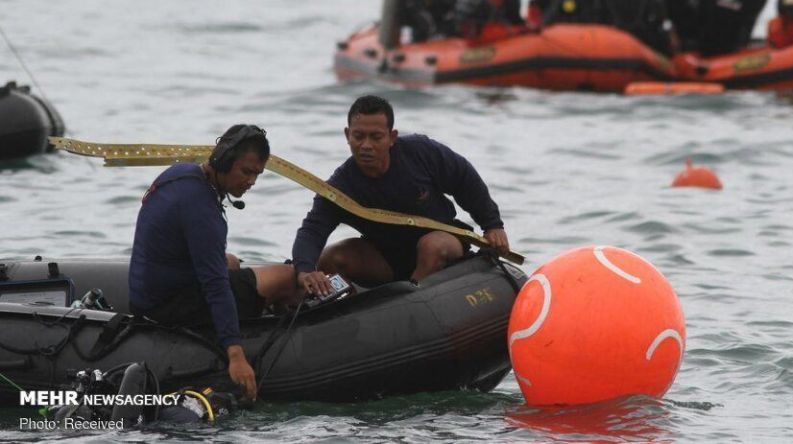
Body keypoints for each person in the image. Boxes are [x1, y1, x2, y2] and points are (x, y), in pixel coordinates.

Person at [128, 125, 324, 401]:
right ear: (223, 161)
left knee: (230, 261)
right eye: (246, 172)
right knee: (285, 276)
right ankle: (279, 317)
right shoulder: (202, 211)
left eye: (257, 174)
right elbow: (216, 287)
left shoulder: (181, 174)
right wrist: (236, 354)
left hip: (148, 296)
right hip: (171, 307)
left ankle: (264, 307)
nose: (251, 181)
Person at [292, 96, 510, 286]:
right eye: (358, 136)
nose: (366, 145)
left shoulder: (420, 152)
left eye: (376, 137)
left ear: (392, 137)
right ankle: (349, 308)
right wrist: (305, 270)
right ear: (347, 135)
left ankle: (414, 301)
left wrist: (492, 225)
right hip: (386, 258)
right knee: (331, 257)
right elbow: (312, 230)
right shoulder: (340, 187)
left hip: (443, 241)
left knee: (431, 247)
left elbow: (464, 178)